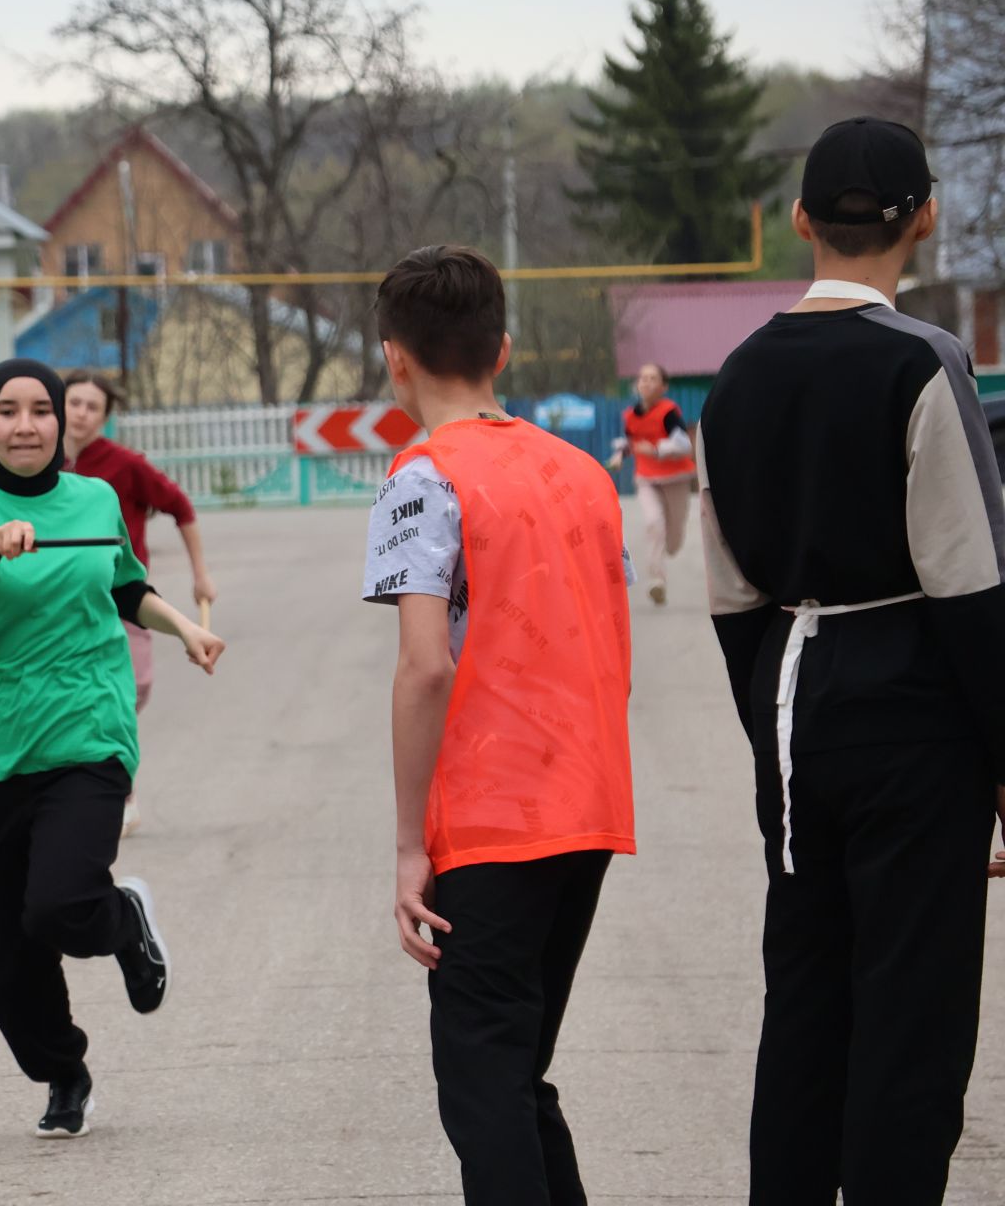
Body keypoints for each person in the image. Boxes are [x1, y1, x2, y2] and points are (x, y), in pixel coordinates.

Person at [697, 117, 1005, 1203]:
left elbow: (732, 597)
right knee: (911, 1019)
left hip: (791, 698)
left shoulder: (730, 380)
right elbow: (971, 584)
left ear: (797, 222)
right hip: (914, 711)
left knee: (809, 1001)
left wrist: (774, 730)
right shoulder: (925, 361)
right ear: (926, 215)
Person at [363, 245, 635, 1204]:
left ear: (393, 359)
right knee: (516, 1072)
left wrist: (408, 846)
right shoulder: (583, 473)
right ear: (505, 349)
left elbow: (426, 664)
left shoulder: (422, 478)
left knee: (482, 1084)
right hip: (590, 804)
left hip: (493, 819)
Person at [0, 358, 224, 1139]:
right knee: (1, 948)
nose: (26, 426)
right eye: (8, 412)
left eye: (41, 411)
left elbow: (122, 584)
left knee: (59, 903)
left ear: (63, 422)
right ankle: (63, 1070)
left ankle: (122, 923)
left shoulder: (93, 497)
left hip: (88, 725)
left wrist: (182, 625)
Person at [63, 370, 215, 837]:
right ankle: (108, 791)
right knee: (87, 699)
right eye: (74, 403)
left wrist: (200, 575)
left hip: (124, 597)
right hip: (64, 604)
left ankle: (111, 776)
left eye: (93, 406)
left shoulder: (125, 464)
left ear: (106, 417)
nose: (82, 413)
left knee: (134, 689)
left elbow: (180, 507)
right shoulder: (40, 467)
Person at [607, 362, 693, 605]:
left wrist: (657, 450)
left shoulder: (669, 413)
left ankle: (668, 548)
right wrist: (619, 456)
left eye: (653, 378)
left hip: (675, 478)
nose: (646, 382)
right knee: (654, 523)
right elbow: (629, 441)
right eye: (643, 378)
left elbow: (684, 444)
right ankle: (657, 580)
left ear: (663, 386)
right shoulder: (630, 415)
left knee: (674, 541)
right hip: (646, 477)